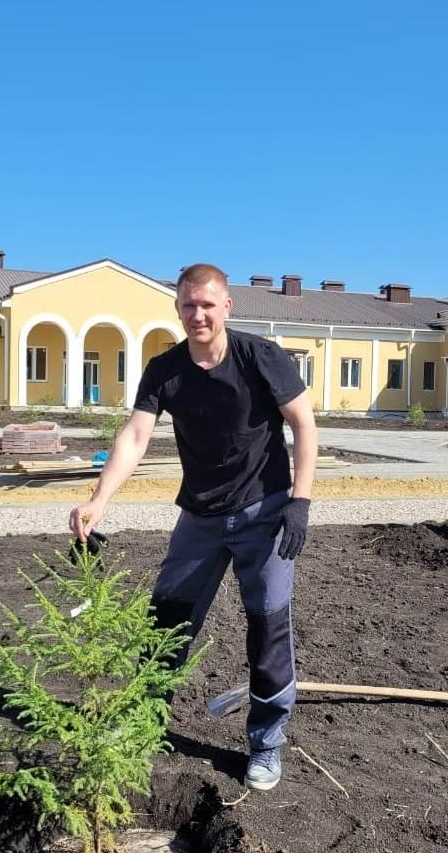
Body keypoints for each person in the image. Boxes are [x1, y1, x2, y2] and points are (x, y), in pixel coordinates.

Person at [69, 263, 318, 792]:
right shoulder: (166, 369)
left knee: (268, 628)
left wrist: (300, 501)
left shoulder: (260, 357)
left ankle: (266, 744)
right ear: (177, 309)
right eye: (188, 305)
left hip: (264, 511)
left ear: (227, 306)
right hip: (200, 518)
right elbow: (135, 437)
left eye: (207, 304)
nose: (198, 314)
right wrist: (99, 500)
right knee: (167, 622)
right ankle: (143, 723)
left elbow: (303, 423)